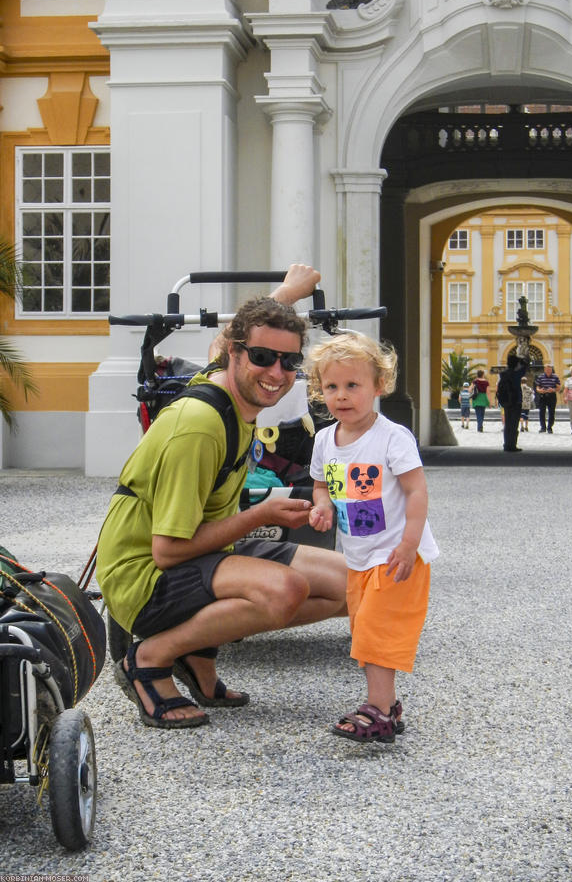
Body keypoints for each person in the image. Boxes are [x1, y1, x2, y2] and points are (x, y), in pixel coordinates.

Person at [96, 265, 348, 730]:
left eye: (289, 362)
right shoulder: (199, 426)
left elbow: (232, 337)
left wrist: (288, 294)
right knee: (284, 591)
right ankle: (150, 658)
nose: (276, 372)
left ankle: (196, 647)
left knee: (356, 585)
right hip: (143, 575)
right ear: (237, 355)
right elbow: (167, 551)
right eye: (262, 357)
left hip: (208, 550)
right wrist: (262, 515)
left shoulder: (231, 379)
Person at [306, 333, 439, 743]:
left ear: (378, 387)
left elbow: (417, 491)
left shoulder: (391, 437)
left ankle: (378, 709)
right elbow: (321, 485)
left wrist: (410, 542)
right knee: (365, 632)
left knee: (378, 632)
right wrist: (323, 506)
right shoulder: (325, 440)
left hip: (397, 555)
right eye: (331, 387)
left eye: (352, 385)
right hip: (359, 556)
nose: (341, 396)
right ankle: (389, 705)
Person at [496, 354, 526, 453]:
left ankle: (506, 444)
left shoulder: (503, 373)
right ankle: (512, 445)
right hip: (516, 400)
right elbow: (525, 366)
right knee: (514, 424)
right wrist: (522, 360)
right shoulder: (517, 374)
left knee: (508, 423)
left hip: (506, 401)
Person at [535, 364, 562, 433]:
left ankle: (550, 427)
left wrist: (553, 390)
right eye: (547, 370)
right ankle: (543, 427)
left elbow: (559, 388)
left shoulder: (555, 377)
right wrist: (540, 390)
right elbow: (537, 387)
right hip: (543, 396)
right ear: (544, 370)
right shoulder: (540, 377)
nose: (548, 371)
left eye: (549, 370)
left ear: (551, 370)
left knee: (551, 412)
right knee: (541, 412)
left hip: (552, 396)